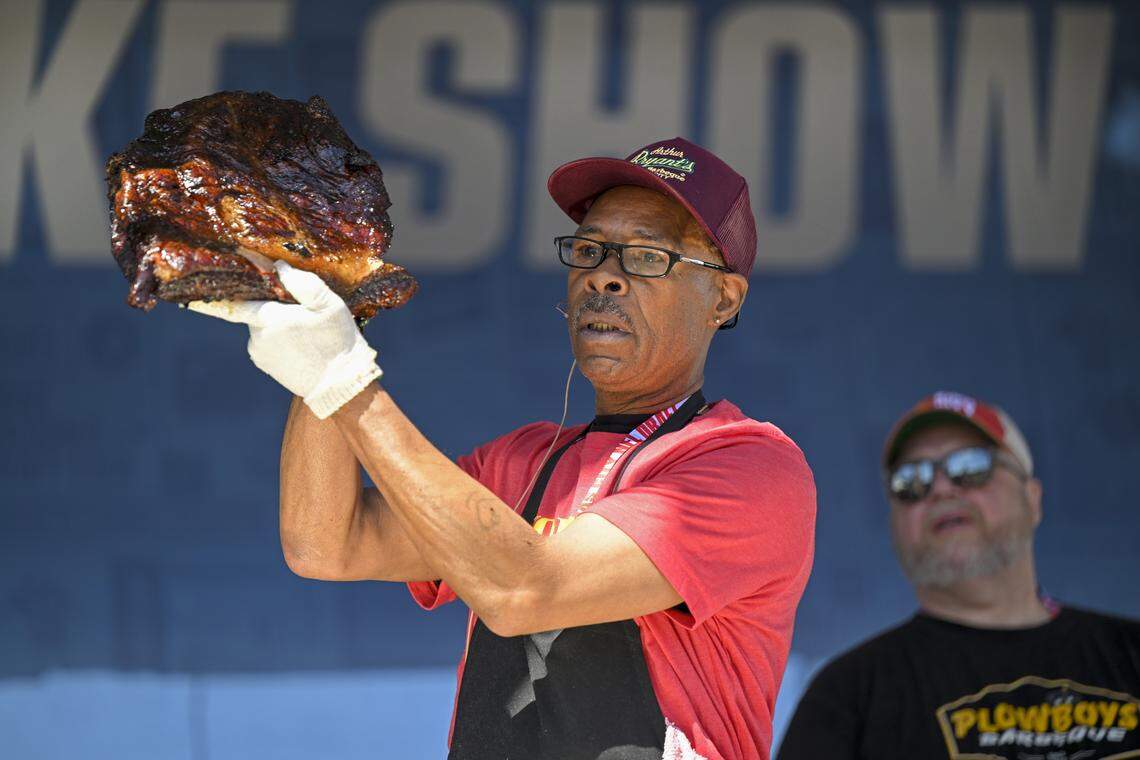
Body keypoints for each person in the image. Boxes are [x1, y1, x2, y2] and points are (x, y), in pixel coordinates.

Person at [189, 137, 816, 760]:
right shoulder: (519, 460)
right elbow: (327, 543)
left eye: (647, 257)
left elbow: (525, 589)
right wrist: (332, 316)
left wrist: (344, 381)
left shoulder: (751, 466)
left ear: (724, 300)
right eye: (592, 250)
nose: (605, 276)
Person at [777, 391, 1140, 760]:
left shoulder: (1131, 654)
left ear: (1032, 499)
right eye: (911, 481)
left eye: (970, 467)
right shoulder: (849, 694)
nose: (941, 489)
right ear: (894, 524)